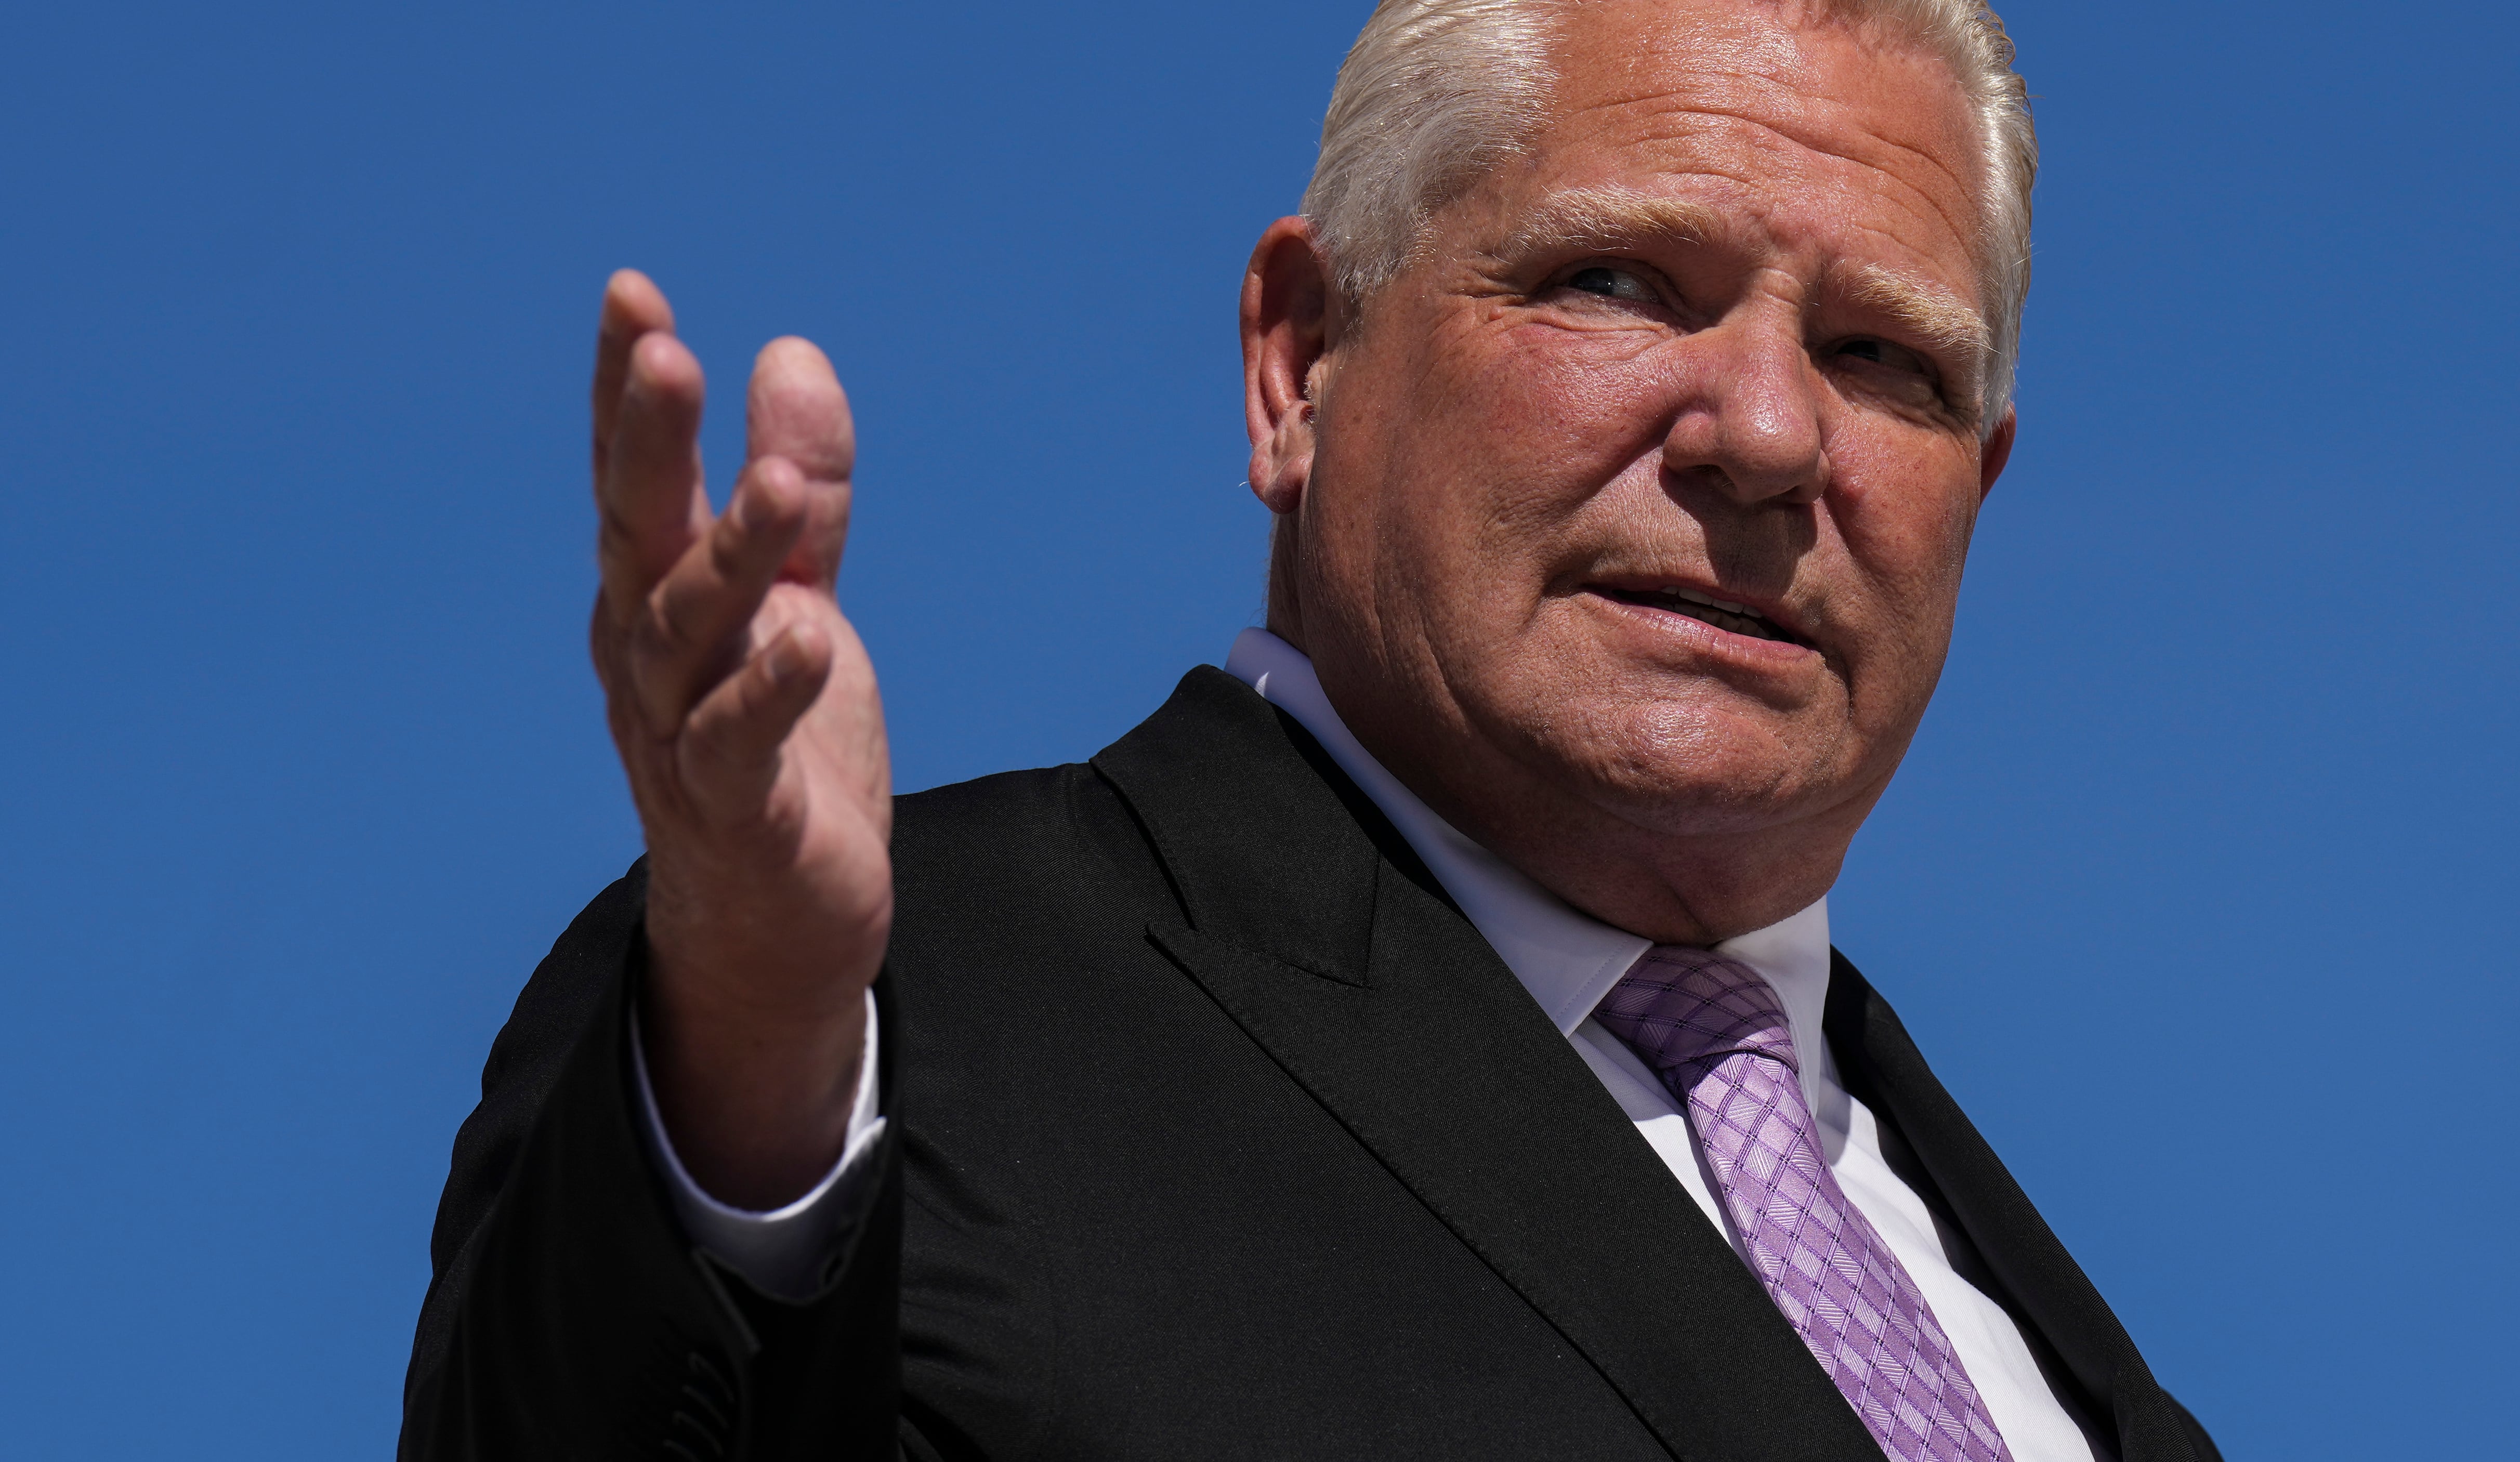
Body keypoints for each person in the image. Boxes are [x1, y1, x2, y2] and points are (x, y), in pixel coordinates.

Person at [402, 0, 2222, 1457]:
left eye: (1885, 358)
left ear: (1978, 488)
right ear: (1299, 363)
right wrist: (750, 1091)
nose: (1766, 434)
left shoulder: (2025, 1318)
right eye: (1616, 281)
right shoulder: (882, 1030)